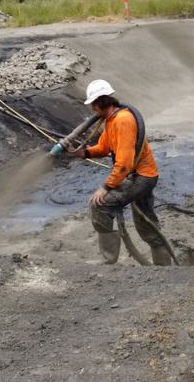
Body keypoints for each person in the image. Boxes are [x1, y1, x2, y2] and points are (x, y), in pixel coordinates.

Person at [71, 79, 171, 266]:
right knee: (146, 221)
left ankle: (108, 260)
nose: (92, 110)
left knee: (100, 205)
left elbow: (124, 164)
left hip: (141, 177)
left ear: (100, 102)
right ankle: (163, 268)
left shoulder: (123, 121)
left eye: (93, 105)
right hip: (141, 176)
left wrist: (105, 187)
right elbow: (103, 147)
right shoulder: (111, 121)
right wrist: (84, 153)